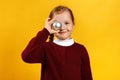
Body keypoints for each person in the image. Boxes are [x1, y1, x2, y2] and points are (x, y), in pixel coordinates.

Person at [21, 5, 93, 80]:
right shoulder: (46, 48)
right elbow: (26, 56)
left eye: (66, 23)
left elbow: (87, 77)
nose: (62, 27)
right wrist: (45, 31)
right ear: (51, 26)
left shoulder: (80, 49)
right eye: (57, 24)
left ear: (73, 24)